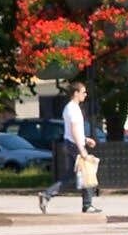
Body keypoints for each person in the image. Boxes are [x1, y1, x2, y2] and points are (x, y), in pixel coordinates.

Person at [38, 82, 103, 215]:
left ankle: (47, 194)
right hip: (74, 145)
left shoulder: (72, 108)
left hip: (72, 143)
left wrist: (85, 139)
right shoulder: (72, 109)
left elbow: (75, 130)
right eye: (83, 92)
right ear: (76, 93)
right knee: (87, 171)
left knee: (70, 174)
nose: (85, 95)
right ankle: (87, 204)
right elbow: (73, 130)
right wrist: (82, 150)